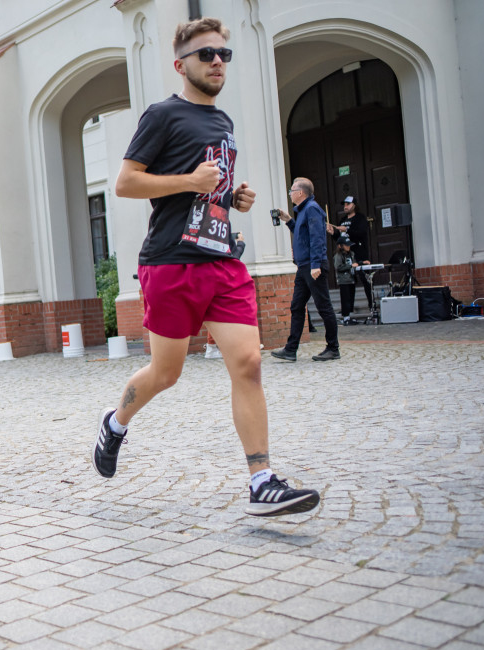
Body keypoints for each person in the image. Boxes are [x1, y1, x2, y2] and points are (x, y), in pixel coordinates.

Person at [92, 17, 320, 518]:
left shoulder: (225, 123)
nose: (218, 61)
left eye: (224, 54)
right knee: (166, 372)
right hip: (170, 262)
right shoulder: (162, 115)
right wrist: (189, 181)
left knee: (249, 362)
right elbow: (127, 184)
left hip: (220, 259)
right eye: (206, 55)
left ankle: (261, 481)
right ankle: (114, 423)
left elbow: (209, 190)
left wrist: (233, 199)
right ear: (181, 65)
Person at [273, 177, 340, 362]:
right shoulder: (304, 211)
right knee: (296, 306)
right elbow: (303, 235)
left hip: (312, 266)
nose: (290, 193)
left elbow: (317, 238)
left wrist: (316, 264)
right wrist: (288, 220)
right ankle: (290, 349)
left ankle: (333, 348)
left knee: (324, 306)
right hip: (303, 267)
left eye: (291, 190)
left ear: (300, 192)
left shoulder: (312, 209)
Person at [329, 196, 373, 308]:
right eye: (344, 204)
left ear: (354, 205)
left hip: (359, 252)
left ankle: (371, 304)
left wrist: (347, 230)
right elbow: (340, 239)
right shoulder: (343, 220)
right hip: (346, 255)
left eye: (348, 204)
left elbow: (361, 233)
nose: (345, 207)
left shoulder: (360, 218)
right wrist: (333, 233)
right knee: (347, 281)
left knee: (365, 279)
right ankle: (348, 308)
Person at [334, 234, 358, 325]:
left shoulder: (351, 254)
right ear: (340, 246)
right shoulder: (338, 256)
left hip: (351, 279)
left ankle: (350, 315)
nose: (348, 247)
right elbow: (338, 267)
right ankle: (346, 317)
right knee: (345, 298)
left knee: (351, 297)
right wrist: (350, 266)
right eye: (346, 245)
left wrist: (360, 263)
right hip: (344, 280)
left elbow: (354, 262)